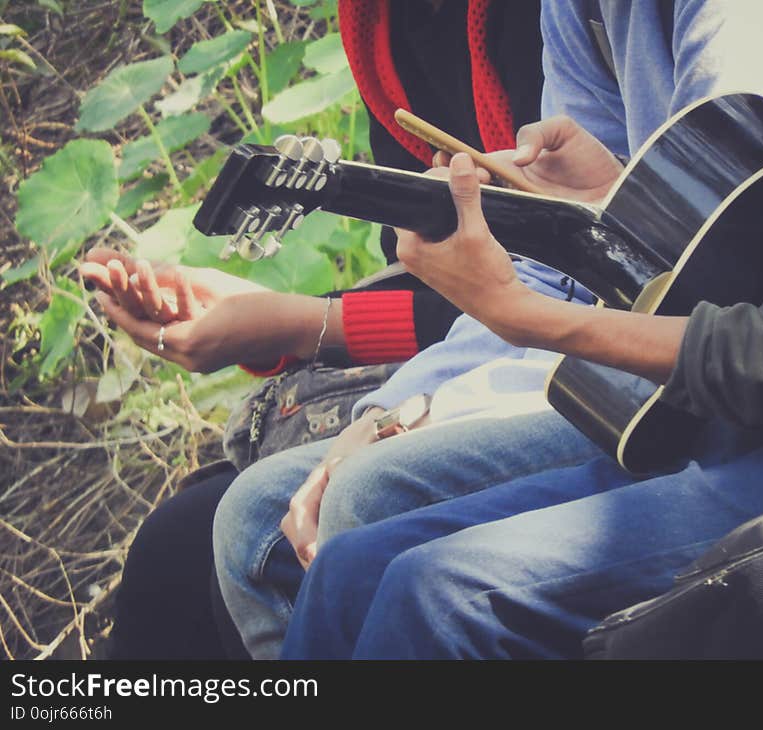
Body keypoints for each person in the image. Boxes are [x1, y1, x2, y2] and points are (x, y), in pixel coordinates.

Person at [278, 0, 763, 659]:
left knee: (436, 591)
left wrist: (528, 319)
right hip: (751, 406)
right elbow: (758, 235)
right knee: (347, 572)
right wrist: (611, 214)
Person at [86, 0, 543, 659]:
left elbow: (549, 275)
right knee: (181, 546)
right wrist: (275, 324)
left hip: (564, 350)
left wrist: (302, 324)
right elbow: (436, 279)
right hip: (481, 346)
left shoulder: (536, 22)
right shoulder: (381, 24)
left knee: (238, 535)